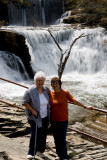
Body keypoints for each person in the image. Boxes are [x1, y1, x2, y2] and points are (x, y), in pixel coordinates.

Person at [50, 77, 94, 160]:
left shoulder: (65, 93)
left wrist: (85, 106)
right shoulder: (50, 94)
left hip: (63, 120)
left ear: (59, 84)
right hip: (53, 120)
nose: (54, 84)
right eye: (52, 83)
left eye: (56, 83)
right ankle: (59, 155)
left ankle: (64, 156)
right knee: (56, 139)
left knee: (62, 139)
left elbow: (74, 101)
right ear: (51, 85)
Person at [22, 71, 50, 159]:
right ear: (35, 81)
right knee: (34, 134)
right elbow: (24, 102)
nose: (40, 82)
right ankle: (30, 152)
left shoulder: (46, 90)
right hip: (34, 116)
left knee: (43, 134)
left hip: (45, 116)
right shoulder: (30, 90)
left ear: (44, 81)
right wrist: (32, 110)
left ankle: (40, 151)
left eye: (42, 80)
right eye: (38, 81)